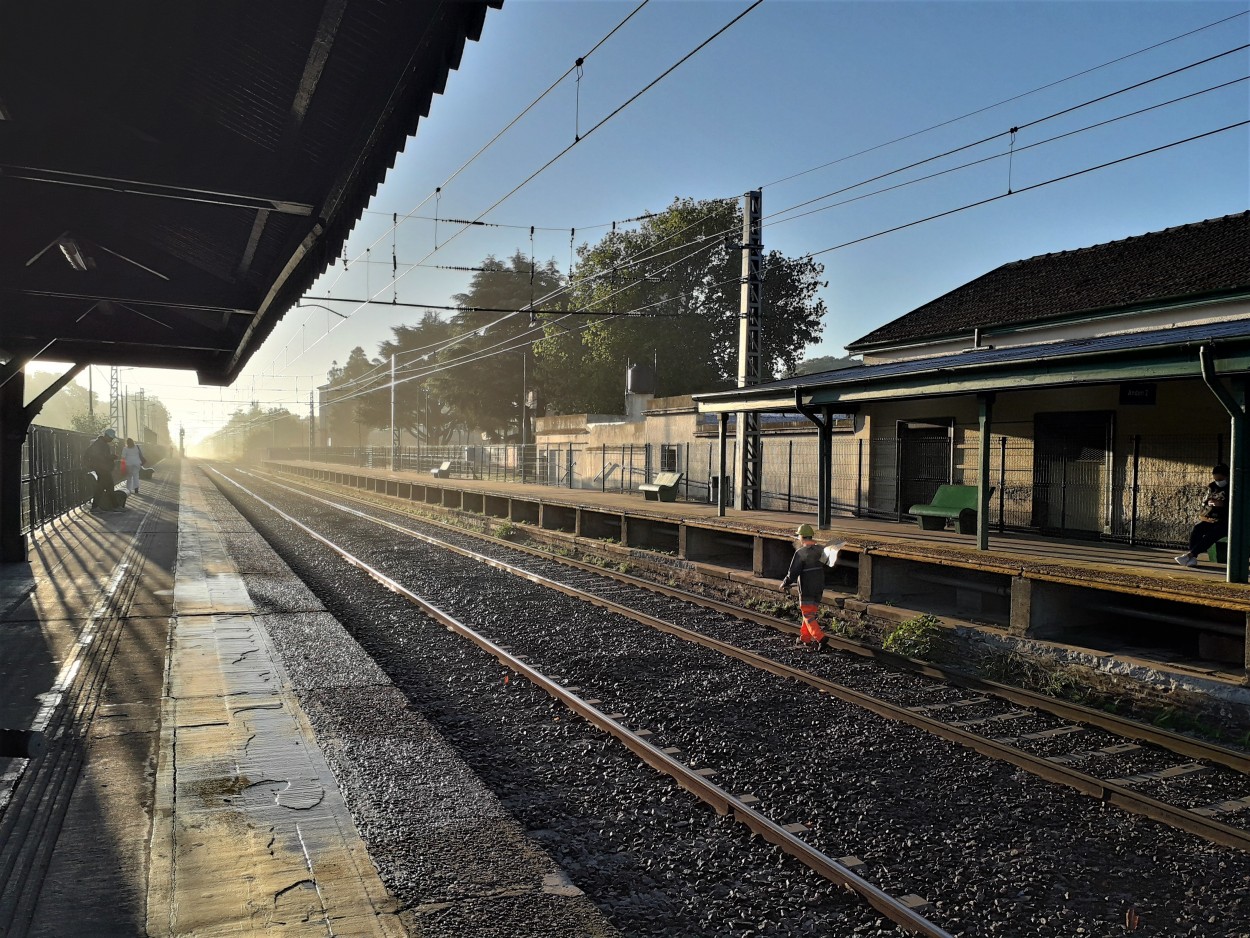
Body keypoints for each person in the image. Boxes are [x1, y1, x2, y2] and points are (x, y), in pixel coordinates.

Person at [780, 523, 826, 646]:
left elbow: (793, 571)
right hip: (819, 586)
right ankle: (805, 638)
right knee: (810, 615)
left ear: (802, 537)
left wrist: (785, 582)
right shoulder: (820, 550)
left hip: (807, 587)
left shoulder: (801, 552)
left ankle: (820, 637)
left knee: (807, 613)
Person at [1176, 463, 1230, 568]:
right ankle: (1193, 557)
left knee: (1213, 533)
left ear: (1226, 476)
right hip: (1212, 518)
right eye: (1216, 479)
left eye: (1220, 479)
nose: (1218, 482)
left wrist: (1224, 504)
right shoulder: (1212, 486)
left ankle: (1190, 555)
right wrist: (1209, 502)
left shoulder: (1232, 487)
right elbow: (1204, 501)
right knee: (1198, 528)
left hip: (1226, 520)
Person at [85, 428, 120, 512]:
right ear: (106, 436)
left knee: (105, 487)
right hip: (101, 468)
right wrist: (110, 457)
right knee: (105, 487)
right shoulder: (99, 444)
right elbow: (99, 456)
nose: (111, 439)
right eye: (111, 438)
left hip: (103, 468)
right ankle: (112, 506)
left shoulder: (102, 443)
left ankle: (111, 506)